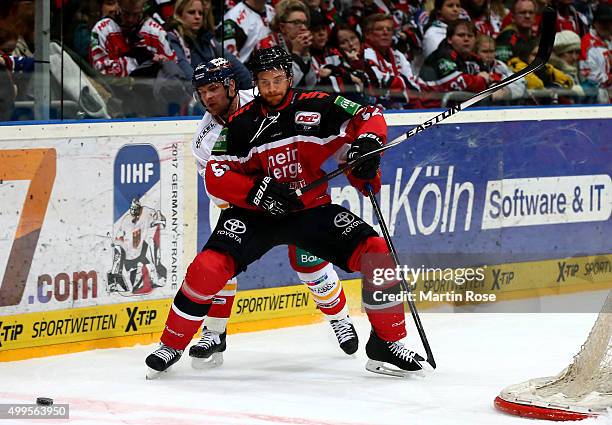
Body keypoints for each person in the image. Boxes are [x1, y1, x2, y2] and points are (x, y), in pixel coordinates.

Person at [145, 46, 424, 379]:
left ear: (288, 79)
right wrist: (258, 193)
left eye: (278, 80)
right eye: (265, 82)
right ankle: (174, 343)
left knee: (375, 252)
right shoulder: (236, 125)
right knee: (208, 266)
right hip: (255, 214)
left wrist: (364, 151)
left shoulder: (315, 104)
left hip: (309, 208)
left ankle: (385, 343)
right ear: (256, 84)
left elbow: (367, 116)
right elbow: (216, 176)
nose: (272, 89)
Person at [185, 58, 359, 367]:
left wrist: (349, 153)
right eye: (202, 91)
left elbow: (314, 124)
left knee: (309, 262)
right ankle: (214, 332)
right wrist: (259, 200)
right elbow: (219, 190)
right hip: (243, 204)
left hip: (294, 190)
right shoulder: (205, 140)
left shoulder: (264, 99)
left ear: (232, 85)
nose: (208, 98)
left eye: (213, 88)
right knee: (222, 262)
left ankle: (340, 318)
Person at [165, 0, 251, 88]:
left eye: (200, 13)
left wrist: (250, 89)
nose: (197, 17)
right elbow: (185, 71)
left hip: (211, 91)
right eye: (191, 12)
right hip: (186, 94)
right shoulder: (172, 37)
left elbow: (234, 64)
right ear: (179, 15)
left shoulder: (208, 39)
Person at [90, 0, 177, 77]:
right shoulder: (102, 29)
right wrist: (136, 61)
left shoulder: (155, 31)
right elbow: (99, 70)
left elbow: (174, 66)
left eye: (136, 14)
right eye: (126, 13)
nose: (130, 19)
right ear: (118, 4)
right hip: (112, 92)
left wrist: (162, 63)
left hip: (150, 92)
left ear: (143, 7)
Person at [419, 19, 489, 107]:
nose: (466, 39)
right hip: (428, 110)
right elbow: (454, 83)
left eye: (470, 36)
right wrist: (481, 80)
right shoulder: (442, 55)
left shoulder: (475, 59)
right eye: (461, 35)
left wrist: (493, 83)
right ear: (449, 39)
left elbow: (490, 76)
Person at [362, 13, 421, 108]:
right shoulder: (365, 54)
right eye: (379, 29)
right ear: (368, 34)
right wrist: (401, 82)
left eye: (389, 29)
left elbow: (415, 90)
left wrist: (394, 84)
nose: (385, 32)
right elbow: (378, 86)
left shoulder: (398, 55)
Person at [109, 198, 167, 295]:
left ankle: (156, 277)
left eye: (136, 209)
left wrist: (160, 221)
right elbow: (119, 235)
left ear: (139, 208)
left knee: (151, 243)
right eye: (132, 209)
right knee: (118, 249)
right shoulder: (126, 219)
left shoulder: (147, 212)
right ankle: (114, 282)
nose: (133, 211)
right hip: (129, 253)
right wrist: (117, 241)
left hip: (140, 251)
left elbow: (158, 217)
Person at [475, 34, 526, 101]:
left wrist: (506, 92)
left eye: (492, 51)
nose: (489, 55)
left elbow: (519, 83)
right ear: (476, 52)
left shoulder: (501, 65)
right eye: (485, 51)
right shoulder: (472, 66)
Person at [579, 3, 611, 100]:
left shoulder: (609, 40)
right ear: (594, 23)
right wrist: (608, 79)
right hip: (597, 98)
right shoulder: (587, 43)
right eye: (602, 22)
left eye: (609, 22)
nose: (605, 26)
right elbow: (588, 74)